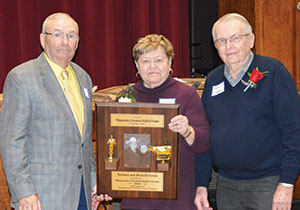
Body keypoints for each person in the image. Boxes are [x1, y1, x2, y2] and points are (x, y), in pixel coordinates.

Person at [0, 13, 110, 210]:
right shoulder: (21, 78)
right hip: (42, 196)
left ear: (77, 41)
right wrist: (24, 192)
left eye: (71, 35)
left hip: (82, 193)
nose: (65, 42)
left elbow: (83, 139)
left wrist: (93, 181)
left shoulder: (83, 77)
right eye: (57, 35)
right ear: (43, 39)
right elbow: (12, 142)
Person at [195, 13, 300, 210]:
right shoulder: (213, 80)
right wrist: (201, 185)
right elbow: (206, 135)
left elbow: (295, 131)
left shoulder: (274, 72)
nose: (229, 46)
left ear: (251, 39)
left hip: (268, 184)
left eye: (235, 38)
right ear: (215, 46)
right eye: (221, 41)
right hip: (226, 185)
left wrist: (286, 183)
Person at [121, 34, 211, 210]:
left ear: (170, 62)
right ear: (137, 65)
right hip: (137, 197)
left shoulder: (187, 95)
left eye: (159, 60)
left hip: (177, 198)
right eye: (146, 61)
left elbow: (205, 144)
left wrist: (187, 131)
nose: (152, 66)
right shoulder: (126, 97)